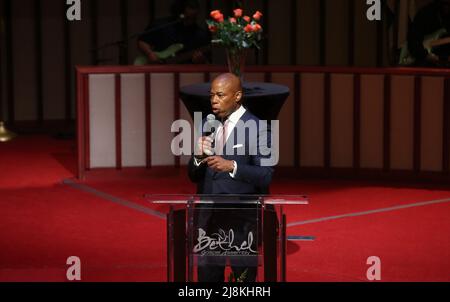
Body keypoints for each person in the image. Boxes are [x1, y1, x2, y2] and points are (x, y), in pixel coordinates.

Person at [188, 73, 275, 282]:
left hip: (241, 220)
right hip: (208, 219)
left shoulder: (259, 128)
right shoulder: (208, 126)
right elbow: (192, 175)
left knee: (242, 282)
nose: (214, 101)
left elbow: (266, 175)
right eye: (211, 96)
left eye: (220, 95)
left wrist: (232, 166)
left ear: (237, 96)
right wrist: (197, 158)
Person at [135, 0, 211, 65]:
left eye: (194, 17)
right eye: (187, 16)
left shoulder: (200, 34)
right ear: (180, 11)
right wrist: (150, 54)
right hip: (157, 71)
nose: (190, 18)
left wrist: (200, 60)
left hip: (185, 76)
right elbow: (142, 41)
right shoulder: (161, 24)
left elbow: (206, 62)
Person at [405, 0, 450, 66]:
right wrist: (426, 55)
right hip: (425, 64)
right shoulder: (426, 14)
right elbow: (413, 41)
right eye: (446, 4)